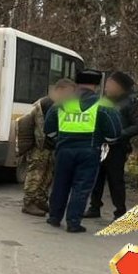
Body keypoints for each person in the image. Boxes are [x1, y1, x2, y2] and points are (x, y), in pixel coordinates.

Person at [43, 69, 122, 233]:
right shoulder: (103, 105)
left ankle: (54, 217)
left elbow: (48, 128)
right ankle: (73, 222)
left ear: (77, 83)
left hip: (64, 150)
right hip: (89, 151)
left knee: (60, 184)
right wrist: (106, 140)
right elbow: (114, 133)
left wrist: (58, 139)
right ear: (96, 85)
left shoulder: (62, 103)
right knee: (81, 187)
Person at [85, 71, 138, 220]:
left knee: (115, 179)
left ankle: (120, 211)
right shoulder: (105, 100)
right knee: (96, 177)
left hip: (118, 147)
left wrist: (119, 134)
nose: (106, 88)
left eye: (109, 85)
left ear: (119, 87)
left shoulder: (132, 102)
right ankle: (94, 207)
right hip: (100, 145)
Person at [18, 78, 77, 216]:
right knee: (36, 175)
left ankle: (39, 200)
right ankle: (29, 203)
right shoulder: (48, 103)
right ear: (60, 90)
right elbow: (44, 127)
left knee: (46, 175)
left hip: (48, 145)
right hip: (40, 146)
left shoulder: (53, 103)